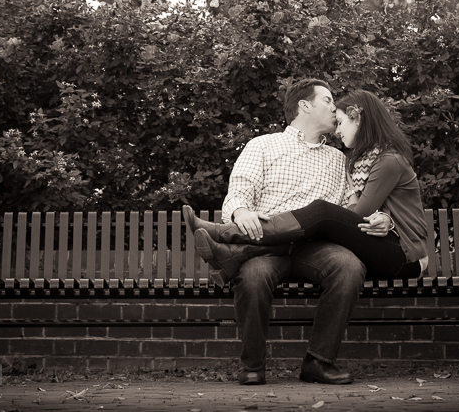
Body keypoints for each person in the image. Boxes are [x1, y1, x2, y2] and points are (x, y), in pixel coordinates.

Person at [183, 79, 393, 386]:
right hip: (266, 247)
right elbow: (240, 191)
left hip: (315, 247)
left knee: (349, 267)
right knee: (253, 277)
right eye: (328, 100)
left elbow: (356, 206)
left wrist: (383, 219)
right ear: (304, 106)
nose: (335, 108)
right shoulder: (263, 145)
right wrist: (241, 213)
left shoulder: (340, 160)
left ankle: (318, 362)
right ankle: (253, 365)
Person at [185, 90, 429, 286]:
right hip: (381, 248)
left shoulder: (388, 160)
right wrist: (384, 217)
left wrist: (323, 221)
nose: (338, 128)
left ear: (359, 119)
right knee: (319, 220)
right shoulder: (364, 161)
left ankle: (226, 235)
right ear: (304, 106)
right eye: (337, 120)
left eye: (342, 122)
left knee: (323, 212)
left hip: (405, 257)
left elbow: (355, 215)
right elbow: (368, 210)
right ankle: (236, 249)